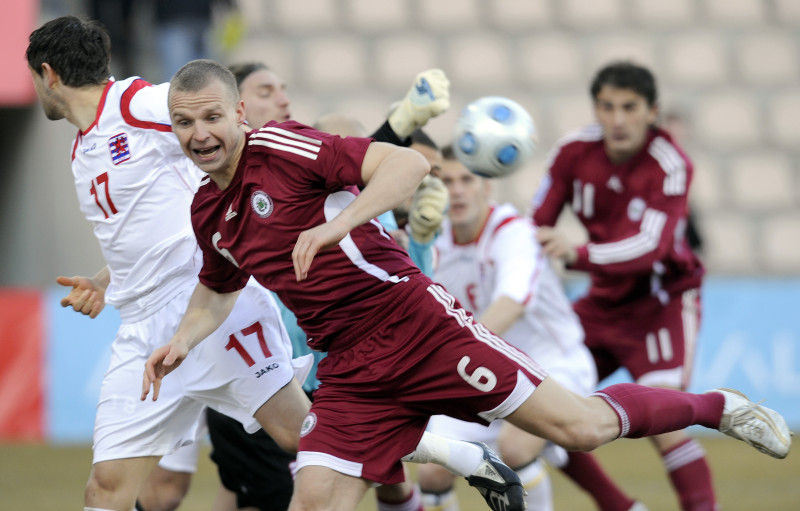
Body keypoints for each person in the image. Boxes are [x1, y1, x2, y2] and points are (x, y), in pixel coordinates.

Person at [143, 58, 791, 511]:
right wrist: (180, 341)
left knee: (583, 427)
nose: (199, 135)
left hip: (415, 324)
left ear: (236, 113)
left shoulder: (283, 146)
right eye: (182, 123)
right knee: (313, 500)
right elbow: (217, 287)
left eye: (209, 118)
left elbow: (408, 161)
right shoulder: (207, 211)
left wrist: (341, 226)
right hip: (349, 367)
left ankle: (719, 406)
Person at [26, 16, 313, 511]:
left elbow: (223, 115)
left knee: (300, 436)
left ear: (48, 74)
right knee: (108, 489)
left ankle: (454, 456)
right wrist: (103, 278)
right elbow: (155, 223)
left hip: (209, 303)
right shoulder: (84, 145)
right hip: (142, 330)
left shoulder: (136, 104)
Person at [203, 63, 450, 511]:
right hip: (239, 359)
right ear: (234, 107)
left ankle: (449, 460)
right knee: (225, 487)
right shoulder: (212, 188)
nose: (282, 99)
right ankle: (451, 456)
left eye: (283, 89)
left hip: (319, 372)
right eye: (266, 90)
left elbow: (395, 270)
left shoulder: (318, 184)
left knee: (343, 480)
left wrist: (424, 239)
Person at [530, 61, 723, 511]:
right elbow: (536, 223)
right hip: (600, 303)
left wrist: (578, 254)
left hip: (662, 302)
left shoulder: (671, 164)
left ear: (651, 112)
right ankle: (621, 507)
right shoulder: (572, 151)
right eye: (607, 107)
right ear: (595, 109)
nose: (617, 120)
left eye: (629, 108)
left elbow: (650, 248)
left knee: (666, 423)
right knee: (544, 412)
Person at [417, 147, 645, 511]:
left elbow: (512, 303)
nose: (457, 190)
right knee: (431, 471)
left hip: (555, 363)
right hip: (485, 372)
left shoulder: (514, 233)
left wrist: (453, 354)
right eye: (446, 181)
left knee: (517, 447)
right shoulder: (431, 243)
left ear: (487, 187)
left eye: (466, 179)